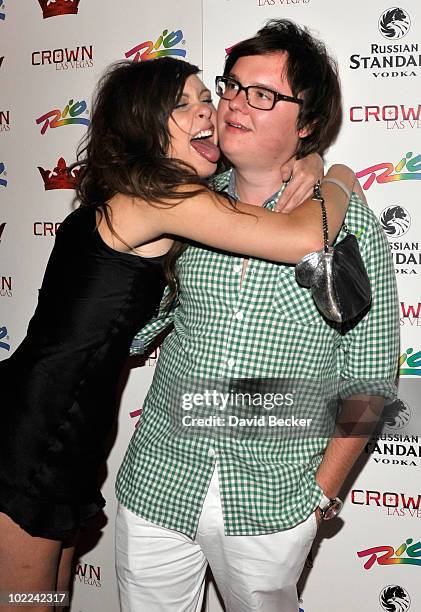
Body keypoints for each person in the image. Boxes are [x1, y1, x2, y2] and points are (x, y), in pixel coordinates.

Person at [0, 56, 353, 610]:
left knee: (47, 600)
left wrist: (308, 157)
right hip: (31, 432)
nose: (208, 112)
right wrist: (338, 178)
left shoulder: (156, 196)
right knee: (25, 603)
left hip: (69, 432)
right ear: (144, 122)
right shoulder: (159, 198)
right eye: (180, 105)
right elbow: (309, 237)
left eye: (203, 98)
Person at [116, 20, 400, 612]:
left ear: (308, 124)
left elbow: (371, 378)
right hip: (159, 483)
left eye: (263, 94)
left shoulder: (349, 228)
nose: (236, 105)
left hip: (273, 501)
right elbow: (135, 328)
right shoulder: (184, 204)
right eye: (232, 88)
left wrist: (322, 495)